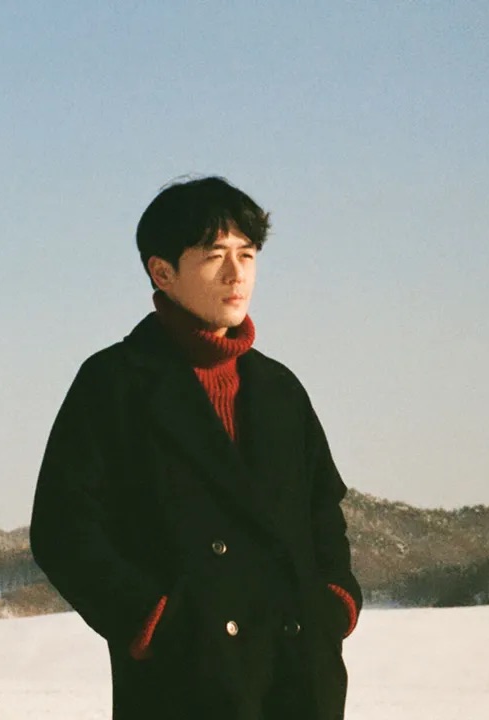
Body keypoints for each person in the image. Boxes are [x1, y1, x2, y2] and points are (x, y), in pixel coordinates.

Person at [30, 176, 361, 720]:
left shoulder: (279, 388)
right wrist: (152, 619)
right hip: (185, 683)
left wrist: (336, 602)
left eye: (247, 255)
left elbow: (323, 509)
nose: (237, 274)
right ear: (162, 272)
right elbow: (63, 530)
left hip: (299, 675)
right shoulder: (114, 383)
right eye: (214, 256)